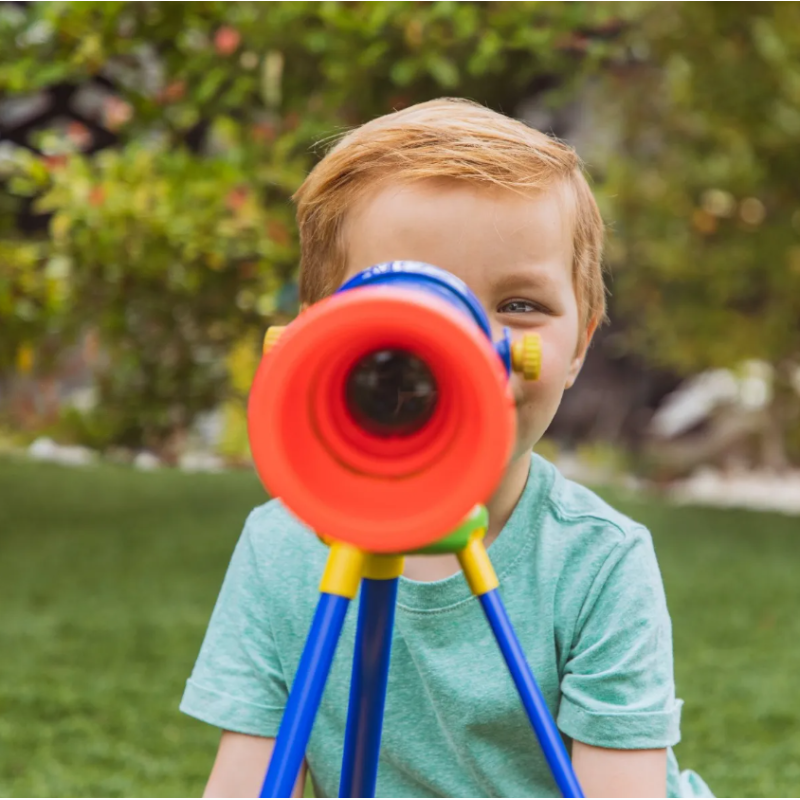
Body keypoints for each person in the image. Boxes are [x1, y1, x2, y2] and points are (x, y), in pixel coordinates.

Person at [180, 98, 713, 799]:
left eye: (520, 304)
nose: (456, 349)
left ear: (578, 345)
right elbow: (248, 778)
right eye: (405, 305)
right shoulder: (281, 549)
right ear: (317, 344)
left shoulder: (597, 561)